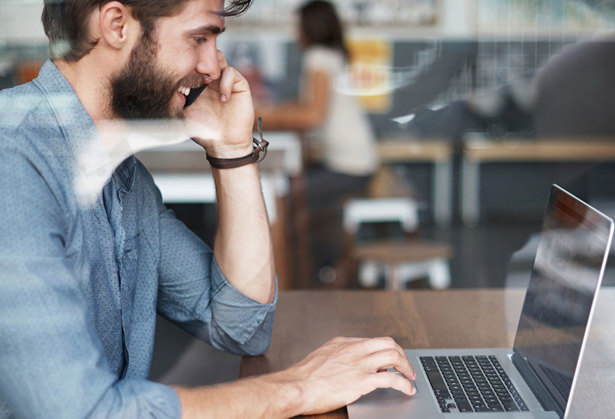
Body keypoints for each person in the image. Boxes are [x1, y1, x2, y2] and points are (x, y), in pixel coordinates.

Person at [0, 0, 416, 417]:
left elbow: (242, 326)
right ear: (116, 25)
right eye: (199, 38)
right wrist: (297, 387)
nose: (214, 67)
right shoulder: (12, 160)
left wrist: (232, 150)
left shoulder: (125, 180)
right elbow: (79, 412)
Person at [256, 0, 379, 283]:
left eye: (297, 25)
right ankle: (317, 268)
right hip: (356, 158)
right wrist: (272, 111)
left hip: (350, 164)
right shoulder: (330, 55)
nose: (294, 32)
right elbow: (307, 105)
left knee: (285, 200)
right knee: (294, 194)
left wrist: (258, 117)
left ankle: (288, 279)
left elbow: (312, 115)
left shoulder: (318, 57)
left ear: (311, 27)